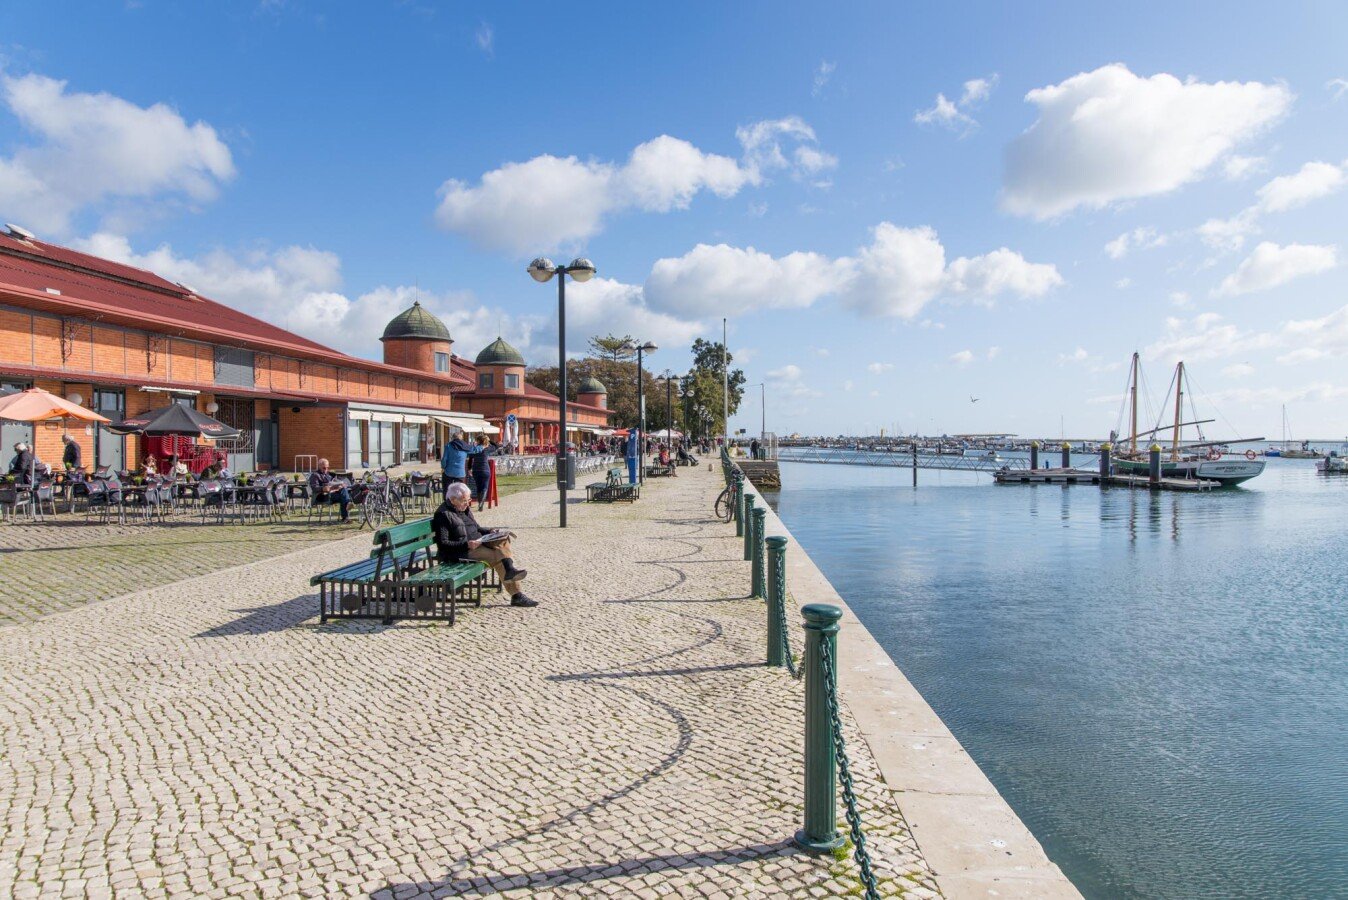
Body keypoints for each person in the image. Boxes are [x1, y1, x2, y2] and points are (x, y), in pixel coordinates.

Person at [433, 482, 535, 607]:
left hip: (479, 543)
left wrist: (490, 531)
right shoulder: (443, 515)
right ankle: (516, 592)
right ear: (453, 499)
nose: (467, 503)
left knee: (504, 539)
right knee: (499, 557)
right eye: (464, 501)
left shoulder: (464, 509)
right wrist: (467, 545)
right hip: (462, 551)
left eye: (468, 500)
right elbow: (443, 544)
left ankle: (511, 572)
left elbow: (477, 528)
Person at [308, 457, 351, 523]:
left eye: (327, 468)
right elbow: (314, 488)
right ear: (319, 466)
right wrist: (323, 488)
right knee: (344, 496)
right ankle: (348, 506)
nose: (326, 469)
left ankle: (346, 517)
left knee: (343, 491)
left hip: (331, 495)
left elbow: (335, 482)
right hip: (321, 496)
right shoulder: (315, 475)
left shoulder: (329, 475)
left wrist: (340, 485)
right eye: (324, 468)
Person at [440, 432, 480, 496]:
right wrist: (483, 446)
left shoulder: (448, 445)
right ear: (461, 438)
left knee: (447, 489)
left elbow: (444, 459)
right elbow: (475, 450)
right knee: (460, 490)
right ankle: (459, 503)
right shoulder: (465, 446)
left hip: (448, 471)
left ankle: (447, 502)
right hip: (460, 473)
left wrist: (443, 467)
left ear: (452, 438)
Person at [470, 434, 495, 511]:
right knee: (484, 488)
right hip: (485, 470)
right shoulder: (487, 449)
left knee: (478, 487)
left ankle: (479, 502)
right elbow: (496, 446)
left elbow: (470, 458)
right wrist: (488, 440)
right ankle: (481, 504)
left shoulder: (475, 449)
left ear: (477, 441)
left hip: (476, 470)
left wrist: (469, 468)